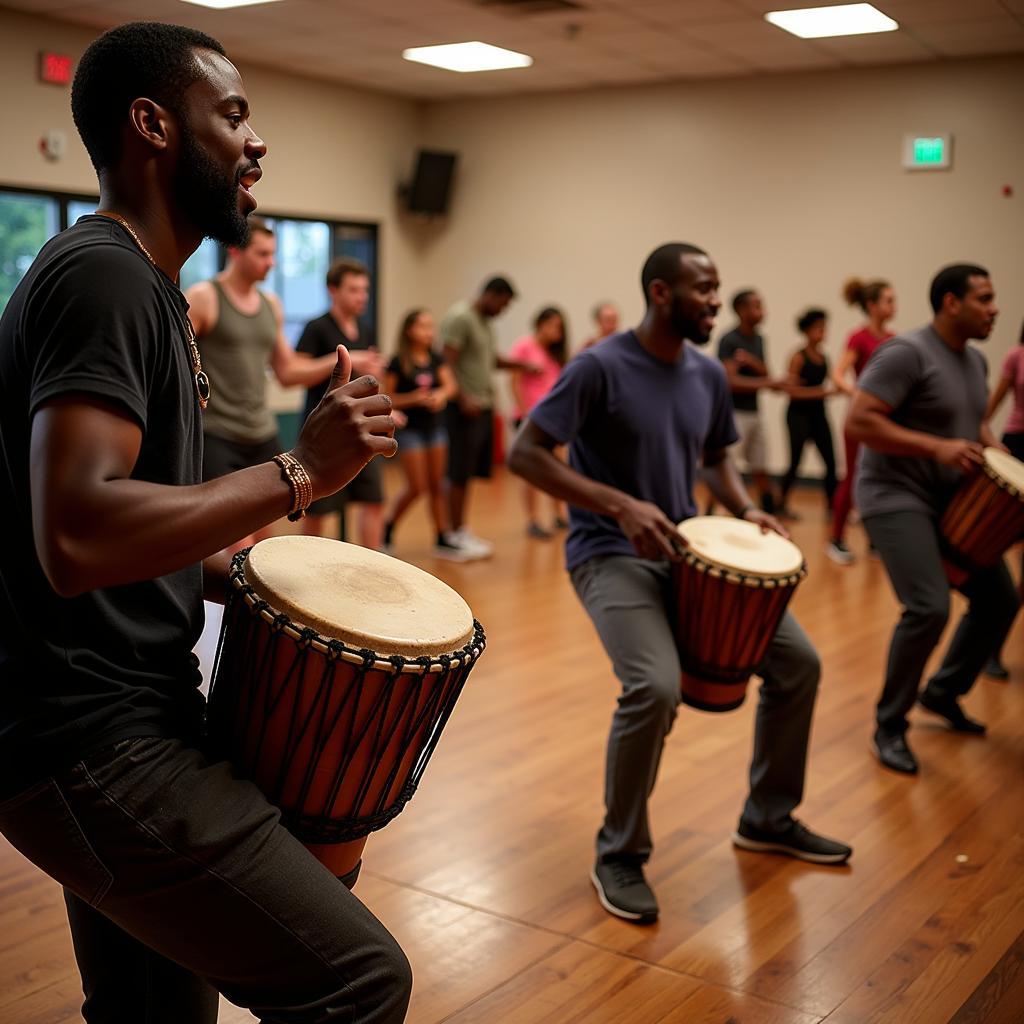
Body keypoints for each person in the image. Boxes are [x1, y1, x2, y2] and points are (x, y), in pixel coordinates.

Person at [0, 22, 411, 1024]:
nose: (256, 141)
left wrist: (250, 576)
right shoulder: (104, 276)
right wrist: (299, 470)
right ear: (151, 125)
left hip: (114, 722)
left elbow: (122, 534)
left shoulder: (140, 286)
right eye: (232, 115)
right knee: (359, 979)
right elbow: (78, 536)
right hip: (91, 741)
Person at [509, 242, 851, 926]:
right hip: (609, 552)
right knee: (654, 686)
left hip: (689, 553)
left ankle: (769, 817)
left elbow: (719, 459)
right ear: (661, 293)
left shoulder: (707, 375)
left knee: (800, 665)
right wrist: (619, 504)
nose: (716, 302)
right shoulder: (599, 366)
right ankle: (619, 854)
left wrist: (747, 506)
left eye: (719, 289)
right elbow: (526, 453)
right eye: (704, 290)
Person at [847, 264, 1020, 776]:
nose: (995, 309)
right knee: (928, 607)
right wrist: (936, 448)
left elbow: (975, 424)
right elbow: (857, 421)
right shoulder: (906, 353)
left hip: (948, 500)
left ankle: (941, 693)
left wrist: (1006, 463)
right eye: (984, 299)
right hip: (892, 495)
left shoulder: (974, 361)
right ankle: (889, 725)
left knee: (1000, 600)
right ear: (950, 302)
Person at [185, 217, 337, 549]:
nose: (272, 262)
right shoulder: (204, 297)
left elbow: (286, 373)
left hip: (261, 433)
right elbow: (177, 363)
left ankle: (243, 602)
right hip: (218, 434)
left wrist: (339, 360)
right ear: (236, 251)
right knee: (239, 545)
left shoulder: (271, 304)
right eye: (263, 254)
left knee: (263, 544)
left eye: (273, 254)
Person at [440, 275, 537, 557]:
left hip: (482, 405)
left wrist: (522, 364)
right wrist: (461, 397)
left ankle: (460, 529)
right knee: (457, 472)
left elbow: (491, 359)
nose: (502, 310)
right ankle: (451, 534)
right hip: (462, 408)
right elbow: (445, 362)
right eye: (503, 304)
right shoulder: (461, 317)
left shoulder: (485, 323)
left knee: (468, 473)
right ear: (491, 294)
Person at [296, 257, 387, 548]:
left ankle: (372, 566)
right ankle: (306, 568)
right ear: (333, 290)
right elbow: (298, 372)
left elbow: (370, 379)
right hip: (326, 433)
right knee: (319, 509)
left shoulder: (366, 329)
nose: (362, 297)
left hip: (362, 429)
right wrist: (342, 361)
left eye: (365, 290)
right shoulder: (317, 328)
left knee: (373, 501)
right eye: (354, 290)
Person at [381, 309, 463, 559]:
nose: (430, 332)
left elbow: (451, 387)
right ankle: (388, 526)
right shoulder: (398, 362)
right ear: (409, 330)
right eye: (423, 327)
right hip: (410, 431)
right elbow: (388, 397)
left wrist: (440, 395)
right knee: (417, 487)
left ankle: (441, 536)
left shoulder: (436, 359)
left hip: (435, 429)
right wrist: (413, 398)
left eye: (431, 326)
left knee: (438, 485)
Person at [826, 277, 897, 565]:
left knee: (879, 477)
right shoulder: (859, 337)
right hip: (859, 419)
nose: (894, 305)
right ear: (871, 305)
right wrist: (859, 395)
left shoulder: (893, 339)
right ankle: (836, 539)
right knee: (854, 477)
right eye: (888, 300)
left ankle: (873, 539)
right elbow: (838, 374)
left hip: (883, 420)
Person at [980, 316, 1024, 678]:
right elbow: (985, 416)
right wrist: (997, 453)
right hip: (1016, 454)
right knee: (995, 552)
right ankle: (989, 650)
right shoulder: (1016, 356)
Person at [716, 290, 780, 515]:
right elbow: (730, 382)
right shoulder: (729, 339)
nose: (762, 311)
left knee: (760, 465)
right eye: (756, 306)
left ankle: (770, 511)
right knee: (727, 466)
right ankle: (712, 511)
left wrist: (752, 363)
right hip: (734, 413)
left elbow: (766, 372)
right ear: (741, 310)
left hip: (755, 412)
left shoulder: (759, 339)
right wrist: (768, 383)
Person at [509, 306, 570, 538]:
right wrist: (525, 413)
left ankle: (559, 514)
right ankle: (532, 519)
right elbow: (514, 382)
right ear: (541, 324)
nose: (558, 332)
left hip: (555, 420)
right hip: (530, 419)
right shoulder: (525, 346)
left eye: (560, 328)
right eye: (554, 326)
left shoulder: (556, 353)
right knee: (531, 471)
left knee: (558, 469)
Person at [777, 309, 839, 516]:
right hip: (798, 416)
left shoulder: (823, 357)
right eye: (818, 329)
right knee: (795, 462)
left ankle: (832, 507)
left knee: (831, 463)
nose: (823, 333)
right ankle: (780, 505)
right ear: (807, 331)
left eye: (824, 328)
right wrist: (820, 392)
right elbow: (791, 392)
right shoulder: (798, 357)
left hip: (818, 415)